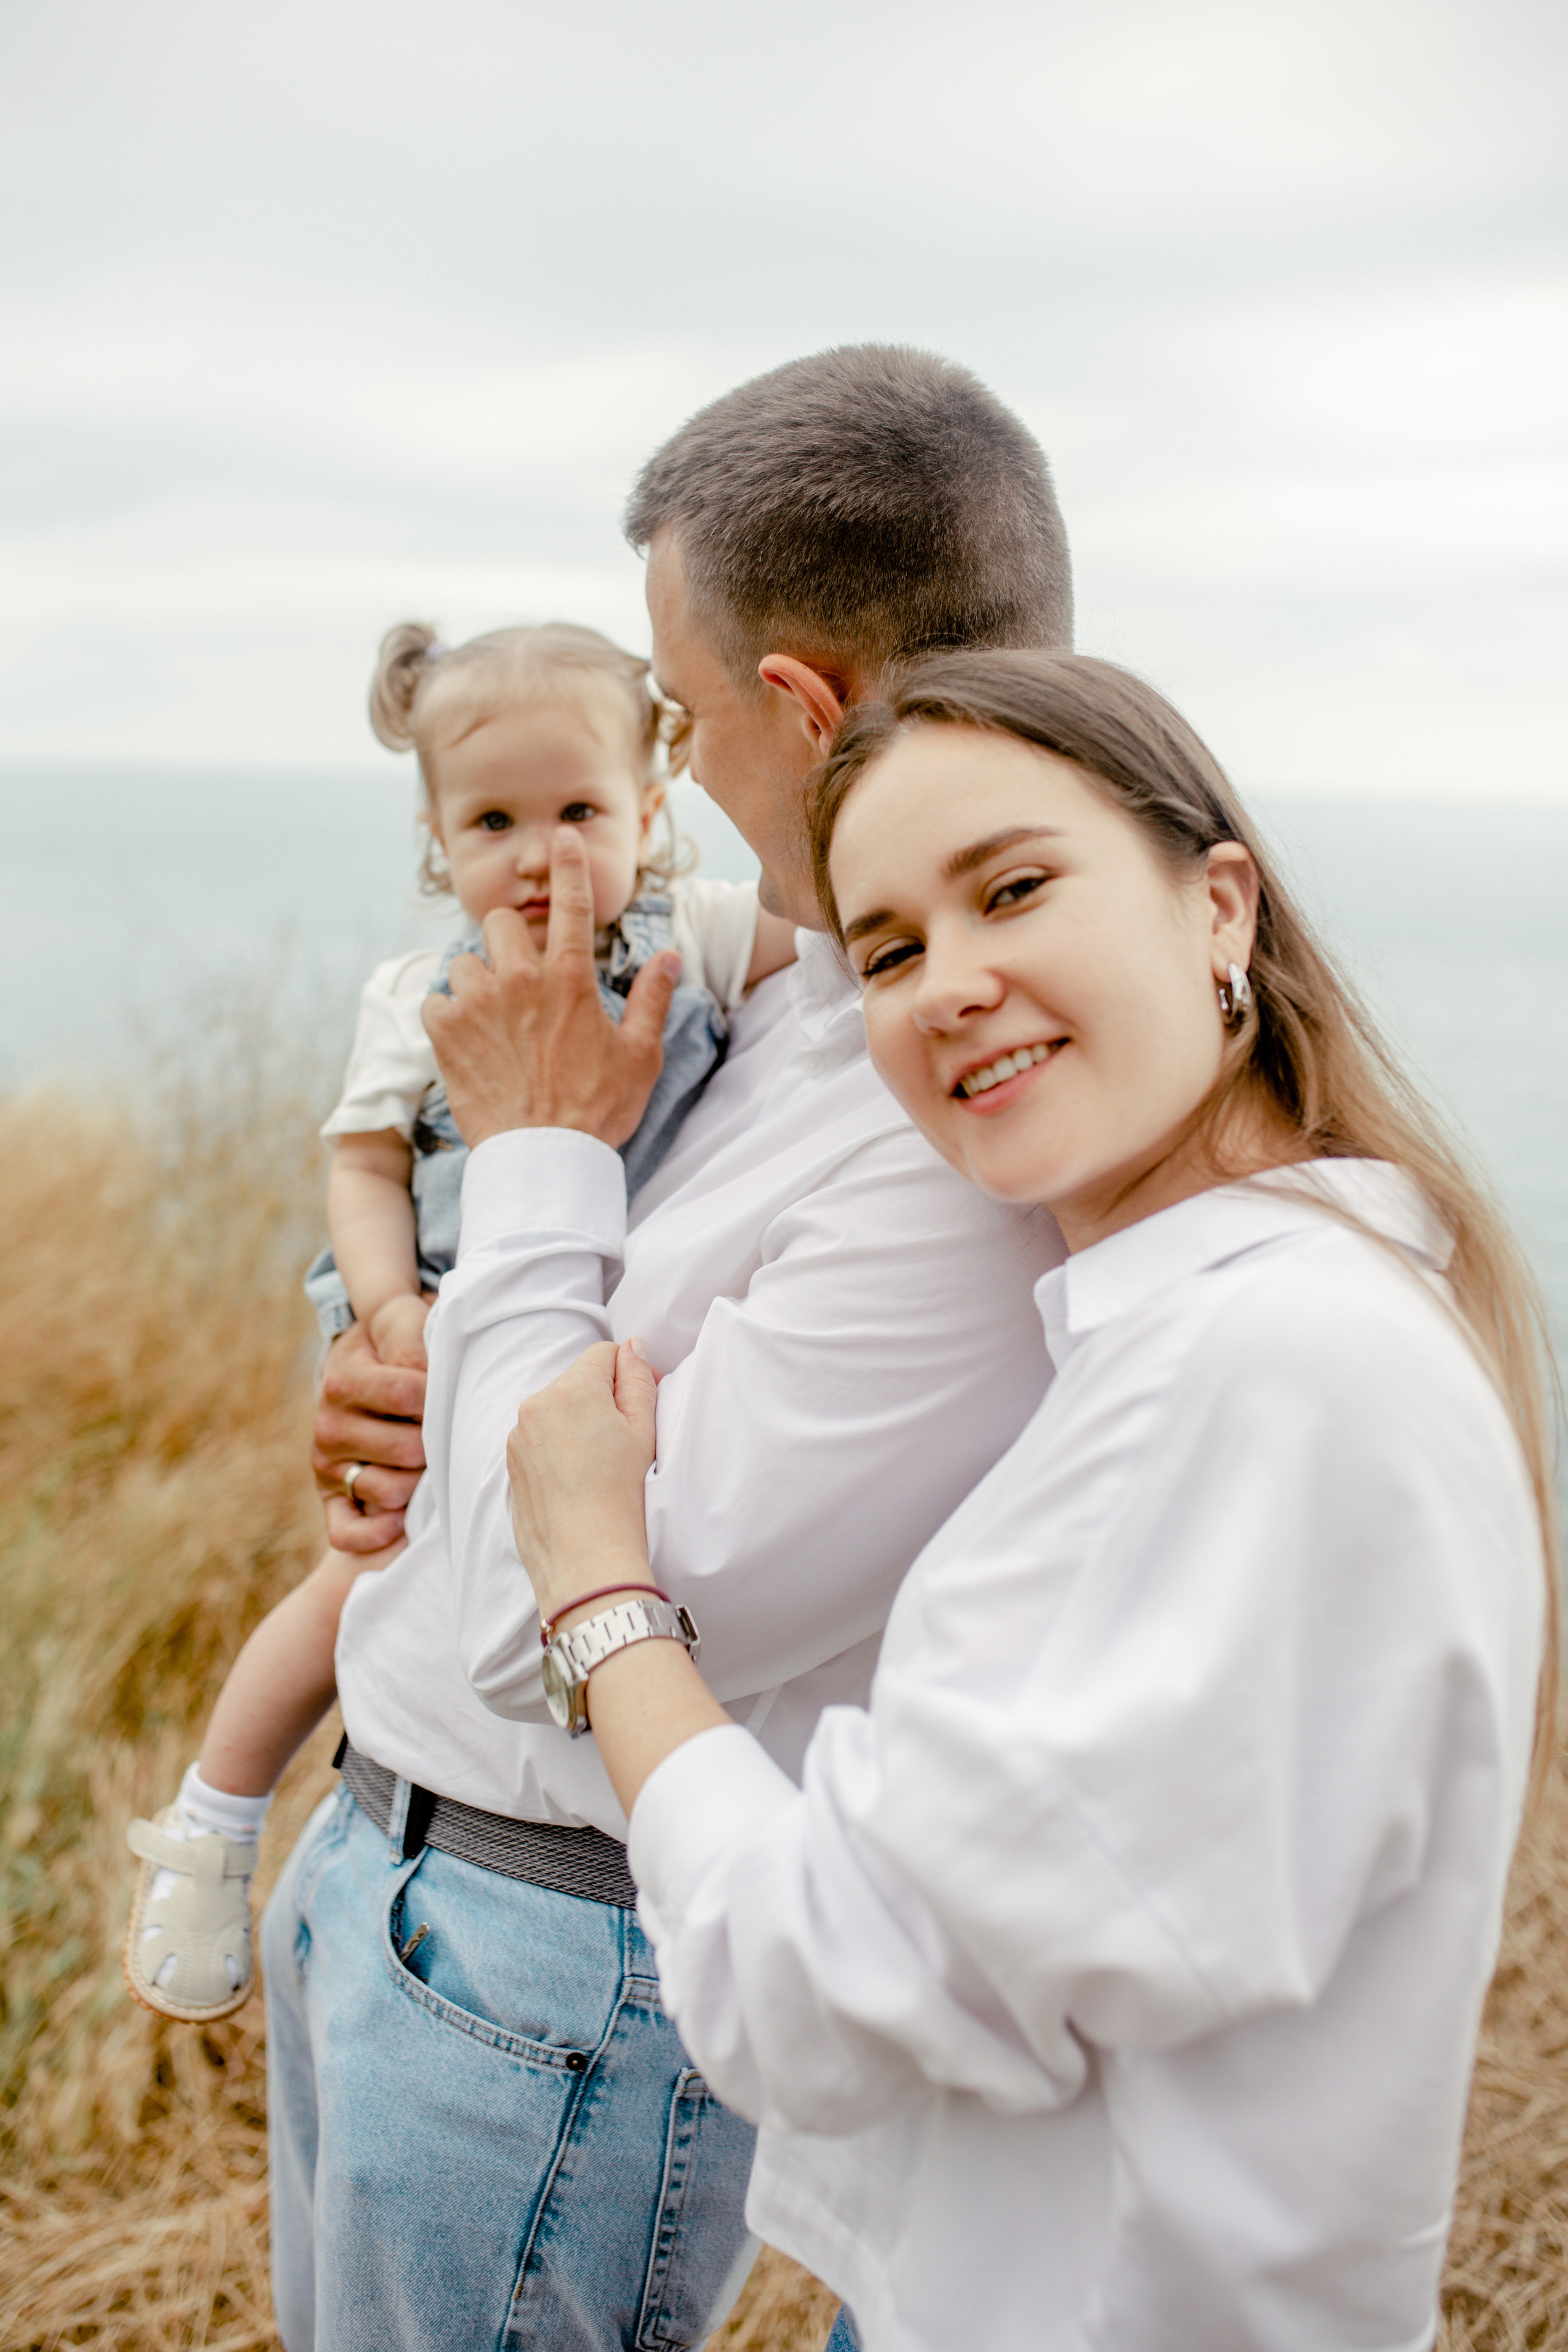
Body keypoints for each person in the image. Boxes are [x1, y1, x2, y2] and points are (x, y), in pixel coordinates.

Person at [502, 647, 1558, 2352]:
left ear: (1219, 908)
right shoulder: (1276, 1319)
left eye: (1012, 890)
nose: (948, 986)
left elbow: (807, 1986)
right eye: (890, 949)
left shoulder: (1259, 1373)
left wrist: (598, 1592)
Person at [268, 344, 1074, 2352]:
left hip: (546, 1986)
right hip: (404, 1887)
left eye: (686, 720)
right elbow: (501, 1464)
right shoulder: (795, 989)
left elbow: (535, 1631)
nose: (679, 785)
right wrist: (403, 1375)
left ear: (792, 707)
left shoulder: (955, 1134)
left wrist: (538, 1151)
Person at [124, 617, 791, 2026]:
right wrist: (386, 1311)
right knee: (356, 1575)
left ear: (650, 810)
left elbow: (842, 937)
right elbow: (364, 1165)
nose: (541, 855)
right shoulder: (410, 996)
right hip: (442, 1313)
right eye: (493, 822)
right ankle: (212, 1820)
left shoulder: (702, 936)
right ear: (437, 842)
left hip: (590, 1340)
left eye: (579, 812)